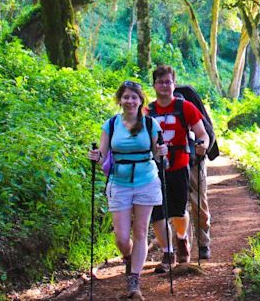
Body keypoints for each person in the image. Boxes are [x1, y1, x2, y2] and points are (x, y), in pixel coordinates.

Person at [88, 80, 167, 300]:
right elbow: (103, 155)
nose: (130, 101)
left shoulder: (151, 124)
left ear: (141, 100)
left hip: (146, 180)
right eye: (126, 97)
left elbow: (158, 154)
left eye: (134, 97)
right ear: (120, 100)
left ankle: (134, 281)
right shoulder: (111, 125)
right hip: (119, 182)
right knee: (122, 237)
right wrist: (95, 157)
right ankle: (129, 257)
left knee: (140, 231)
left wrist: (162, 150)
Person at [147, 65, 210, 270]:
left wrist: (202, 146)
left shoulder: (185, 107)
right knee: (158, 212)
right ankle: (168, 253)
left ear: (174, 84)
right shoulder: (148, 111)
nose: (164, 86)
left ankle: (182, 238)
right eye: (160, 82)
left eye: (168, 81)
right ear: (154, 85)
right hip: (154, 168)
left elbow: (202, 133)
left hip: (180, 165)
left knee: (179, 210)